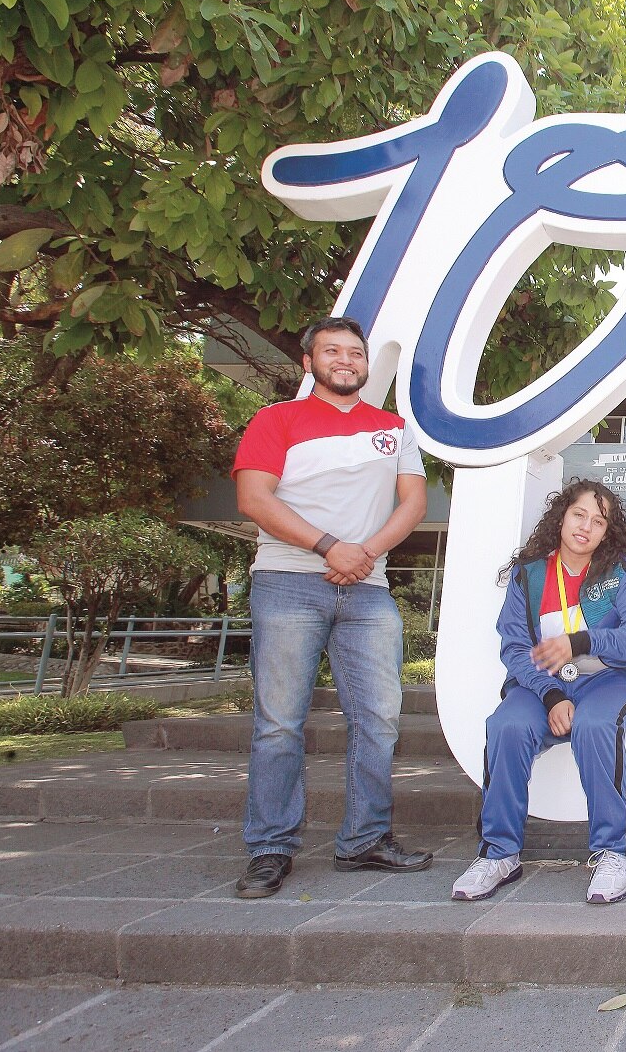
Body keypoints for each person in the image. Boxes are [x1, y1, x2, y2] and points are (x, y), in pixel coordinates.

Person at [232, 316, 431, 899]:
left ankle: (365, 838)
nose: (345, 360)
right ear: (308, 362)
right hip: (288, 582)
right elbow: (253, 497)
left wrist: (363, 553)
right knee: (278, 724)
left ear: (367, 364)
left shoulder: (393, 429)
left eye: (355, 352)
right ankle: (270, 848)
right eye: (332, 351)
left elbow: (413, 502)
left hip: (368, 590)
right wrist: (328, 547)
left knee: (379, 720)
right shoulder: (276, 421)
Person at [450, 480, 626, 904]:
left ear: (607, 531)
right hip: (544, 684)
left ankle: (613, 851)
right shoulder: (529, 575)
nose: (586, 527)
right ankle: (499, 854)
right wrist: (550, 696)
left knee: (596, 724)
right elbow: (514, 646)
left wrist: (581, 641)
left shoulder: (620, 571)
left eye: (598, 521)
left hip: (609, 679)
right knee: (506, 724)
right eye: (579, 514)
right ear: (561, 516)